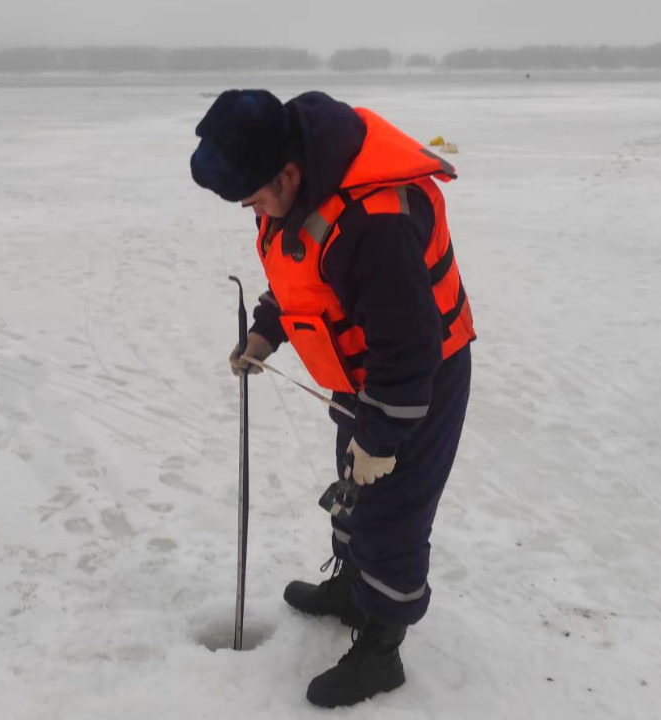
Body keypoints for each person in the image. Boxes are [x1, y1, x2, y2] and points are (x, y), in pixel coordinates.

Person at [190, 90, 475, 708]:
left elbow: (408, 348)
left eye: (257, 198)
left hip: (418, 380)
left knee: (391, 512)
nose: (256, 211)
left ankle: (382, 648)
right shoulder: (302, 186)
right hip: (365, 378)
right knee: (353, 489)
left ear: (287, 173)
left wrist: (383, 435)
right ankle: (353, 589)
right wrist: (266, 333)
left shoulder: (376, 223)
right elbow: (302, 277)